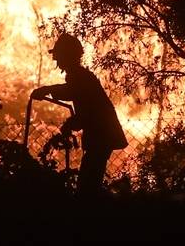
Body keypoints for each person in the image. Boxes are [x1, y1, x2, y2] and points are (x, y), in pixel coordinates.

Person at [31, 32, 127, 193]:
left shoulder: (80, 77)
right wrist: (73, 123)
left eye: (59, 55)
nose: (56, 60)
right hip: (101, 134)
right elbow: (85, 104)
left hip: (101, 134)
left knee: (88, 185)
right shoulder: (80, 76)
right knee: (90, 181)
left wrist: (47, 90)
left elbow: (72, 93)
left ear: (68, 56)